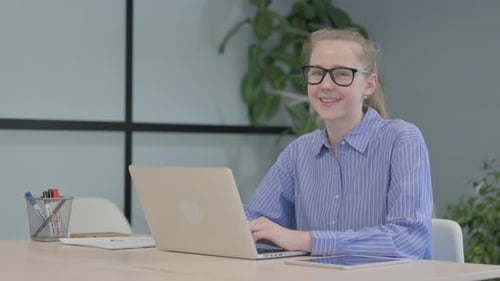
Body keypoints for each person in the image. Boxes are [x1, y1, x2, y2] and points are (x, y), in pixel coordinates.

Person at [244, 28, 433, 259]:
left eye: (342, 74)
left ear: (369, 84)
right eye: (316, 73)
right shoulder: (299, 151)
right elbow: (254, 223)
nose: (325, 85)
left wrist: (307, 240)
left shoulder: (402, 140)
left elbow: (409, 239)